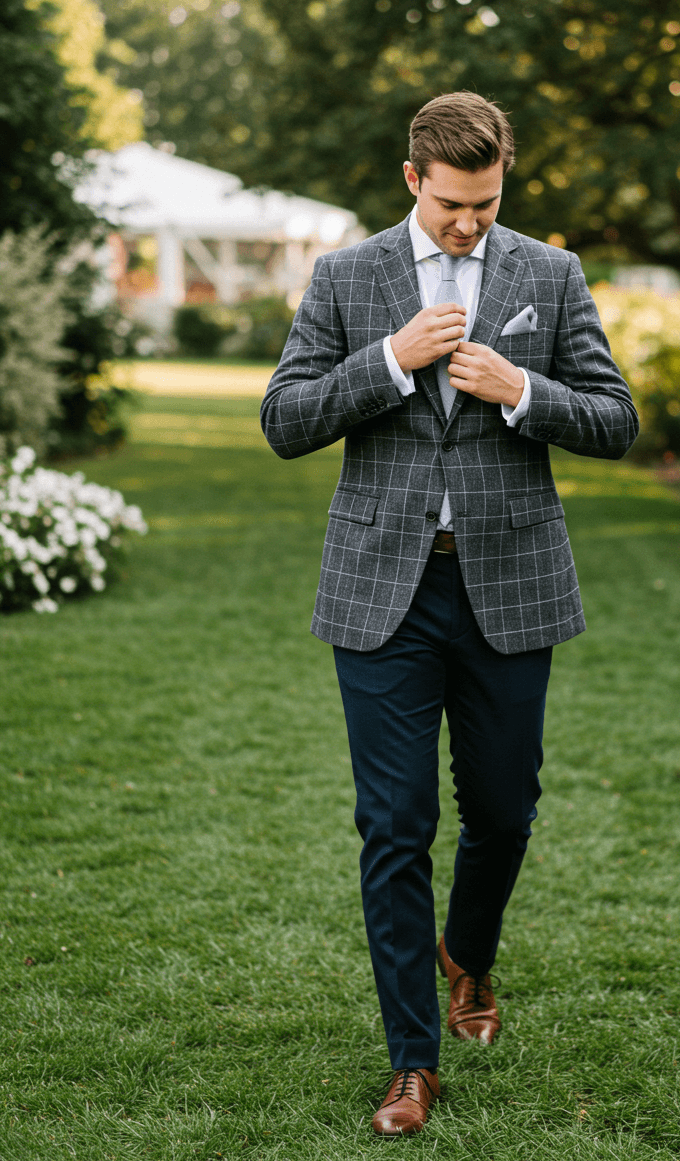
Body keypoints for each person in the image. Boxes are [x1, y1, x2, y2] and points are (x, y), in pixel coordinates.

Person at [260, 91, 638, 1135]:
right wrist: (389, 361)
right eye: (453, 203)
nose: (470, 222)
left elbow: (615, 419)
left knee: (504, 810)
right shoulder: (345, 277)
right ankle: (410, 1062)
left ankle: (466, 951)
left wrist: (522, 387)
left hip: (509, 585)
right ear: (411, 179)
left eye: (488, 200)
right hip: (380, 588)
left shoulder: (548, 275)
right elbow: (284, 419)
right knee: (393, 827)